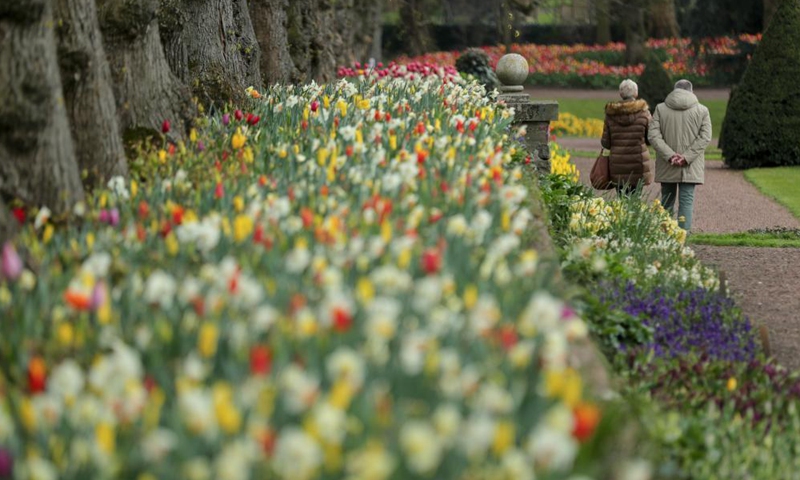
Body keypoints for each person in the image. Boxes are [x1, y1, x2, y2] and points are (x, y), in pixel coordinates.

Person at [648, 79, 712, 232]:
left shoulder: (660, 108)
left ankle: (665, 237)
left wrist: (670, 156)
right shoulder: (702, 110)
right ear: (691, 91)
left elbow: (653, 136)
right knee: (686, 202)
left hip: (667, 162)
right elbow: (705, 137)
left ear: (674, 90)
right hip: (690, 164)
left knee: (667, 201)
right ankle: (683, 237)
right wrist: (686, 157)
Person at [601, 79, 653, 196]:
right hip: (638, 163)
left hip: (617, 164)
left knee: (621, 200)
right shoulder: (644, 113)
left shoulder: (611, 114)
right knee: (636, 199)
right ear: (636, 93)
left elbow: (606, 143)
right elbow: (651, 139)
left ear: (620, 94)